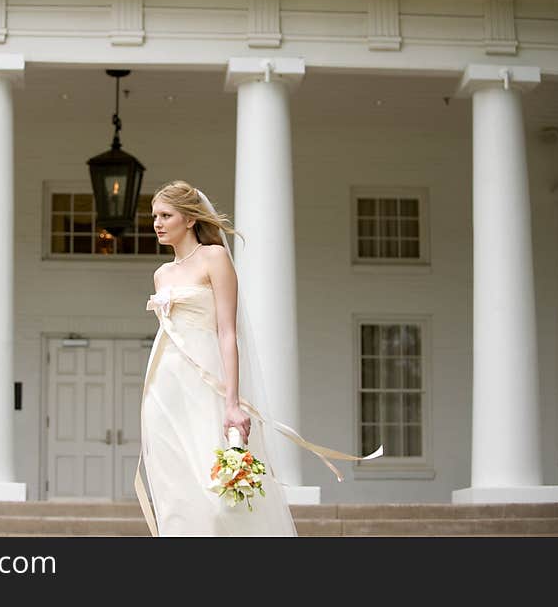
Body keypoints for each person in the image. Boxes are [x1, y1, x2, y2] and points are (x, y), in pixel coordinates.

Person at [134, 181, 382, 537]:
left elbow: (227, 332)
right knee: (176, 492)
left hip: (208, 386)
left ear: (189, 219)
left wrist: (233, 403)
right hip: (165, 389)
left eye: (166, 215)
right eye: (154, 216)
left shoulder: (214, 257)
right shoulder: (162, 274)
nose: (157, 223)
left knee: (219, 494)